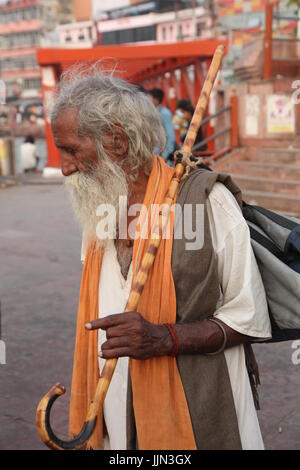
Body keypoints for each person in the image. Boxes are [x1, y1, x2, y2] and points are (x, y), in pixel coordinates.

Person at [51, 67, 271, 450]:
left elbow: (249, 319)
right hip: (118, 413)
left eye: (71, 150)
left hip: (200, 410)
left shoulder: (206, 203)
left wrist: (164, 338)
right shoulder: (99, 211)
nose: (65, 168)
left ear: (116, 140)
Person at [148, 88, 175, 163]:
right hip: (155, 157)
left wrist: (164, 156)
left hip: (162, 159)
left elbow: (170, 136)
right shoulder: (154, 112)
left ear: (156, 99)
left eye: (149, 97)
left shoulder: (164, 113)